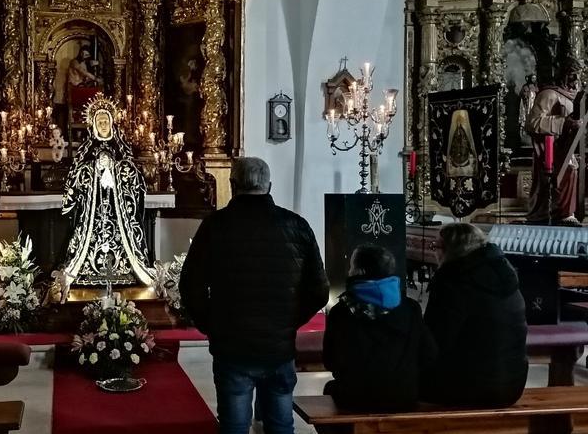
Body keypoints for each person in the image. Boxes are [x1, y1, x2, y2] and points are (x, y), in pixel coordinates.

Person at [180, 157, 329, 434]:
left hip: (232, 346)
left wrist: (212, 324)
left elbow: (190, 286)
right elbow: (319, 291)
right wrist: (289, 321)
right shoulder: (296, 226)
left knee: (235, 426)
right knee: (281, 425)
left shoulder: (215, 226)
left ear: (232, 185)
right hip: (278, 347)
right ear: (269, 186)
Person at [421, 223, 527, 408]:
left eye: (435, 246)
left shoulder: (452, 280)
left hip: (468, 388)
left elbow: (434, 341)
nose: (434, 252)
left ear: (450, 249)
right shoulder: (505, 274)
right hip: (512, 384)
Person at [323, 244, 436, 412]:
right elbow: (429, 353)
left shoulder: (342, 311)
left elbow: (330, 360)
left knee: (329, 390)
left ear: (359, 271)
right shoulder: (410, 308)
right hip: (403, 396)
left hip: (354, 398)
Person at [60, 94, 153, 289]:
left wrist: (114, 167)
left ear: (112, 123)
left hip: (118, 212)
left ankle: (125, 268)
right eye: (99, 121)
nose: (103, 124)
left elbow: (135, 175)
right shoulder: (86, 148)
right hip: (91, 214)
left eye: (106, 121)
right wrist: (95, 167)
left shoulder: (122, 147)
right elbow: (75, 175)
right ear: (93, 124)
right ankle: (86, 269)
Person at [525, 58, 584, 226]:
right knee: (562, 174)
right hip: (550, 148)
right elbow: (533, 122)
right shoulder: (549, 94)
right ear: (562, 75)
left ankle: (567, 213)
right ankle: (557, 213)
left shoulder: (573, 99)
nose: (575, 81)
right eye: (571, 75)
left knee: (571, 170)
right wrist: (564, 122)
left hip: (566, 147)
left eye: (577, 76)